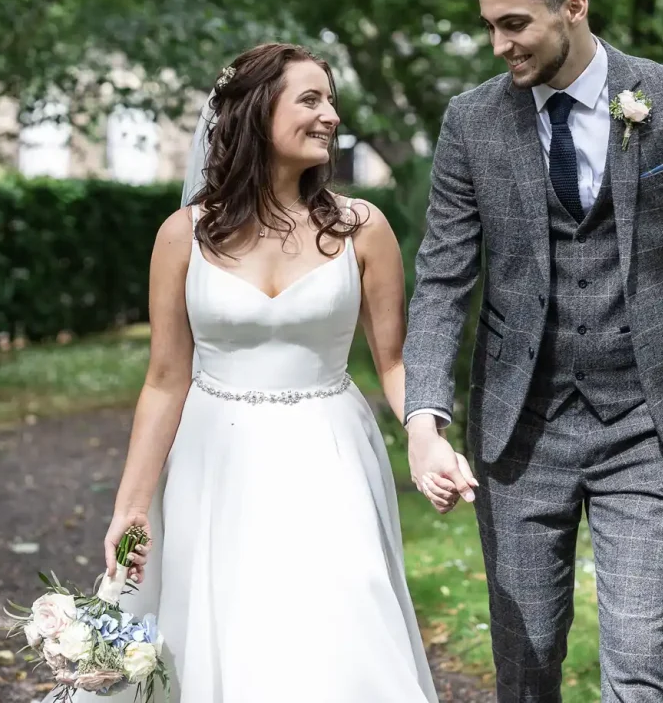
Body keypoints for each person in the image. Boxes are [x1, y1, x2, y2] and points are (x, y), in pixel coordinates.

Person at [403, 0, 663, 702]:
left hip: (651, 426)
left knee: (636, 665)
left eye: (514, 24)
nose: (499, 45)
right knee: (526, 670)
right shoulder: (473, 121)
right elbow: (442, 279)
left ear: (573, 6)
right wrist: (423, 418)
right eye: (489, 26)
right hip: (520, 432)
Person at [98, 42, 446, 702]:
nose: (330, 117)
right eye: (310, 99)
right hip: (214, 458)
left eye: (331, 101)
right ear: (258, 112)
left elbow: (395, 363)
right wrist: (131, 507)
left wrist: (428, 441)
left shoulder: (361, 228)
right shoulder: (183, 236)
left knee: (345, 618)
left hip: (331, 452)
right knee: (230, 627)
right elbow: (165, 381)